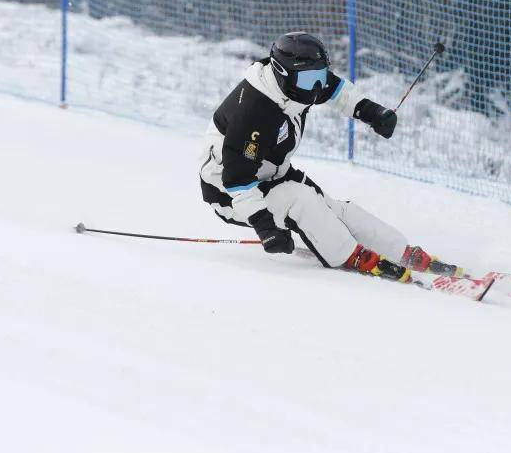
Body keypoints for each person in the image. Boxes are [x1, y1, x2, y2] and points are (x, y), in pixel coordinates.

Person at [198, 31, 461, 282]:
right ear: (282, 74)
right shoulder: (255, 112)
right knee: (301, 202)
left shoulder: (296, 85)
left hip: (271, 172)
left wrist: (371, 112)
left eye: (319, 76)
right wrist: (265, 226)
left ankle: (402, 252)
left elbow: (336, 90)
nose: (314, 88)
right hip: (229, 193)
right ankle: (351, 255)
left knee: (332, 208)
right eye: (307, 80)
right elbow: (237, 179)